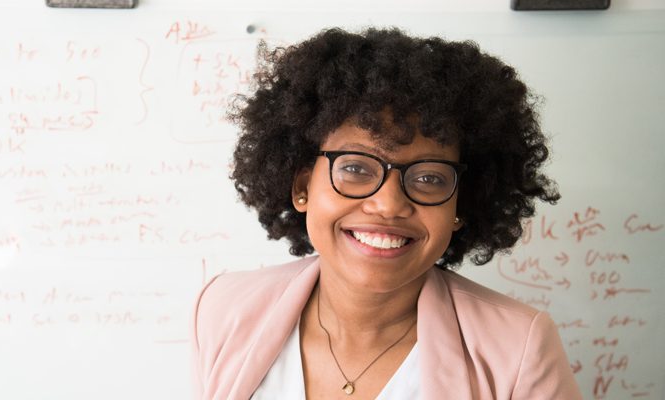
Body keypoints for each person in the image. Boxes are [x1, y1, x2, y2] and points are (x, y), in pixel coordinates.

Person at [190, 27, 582, 400]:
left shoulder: (519, 347)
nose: (389, 205)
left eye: (429, 177)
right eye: (356, 168)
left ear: (461, 204)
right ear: (302, 187)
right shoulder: (223, 307)